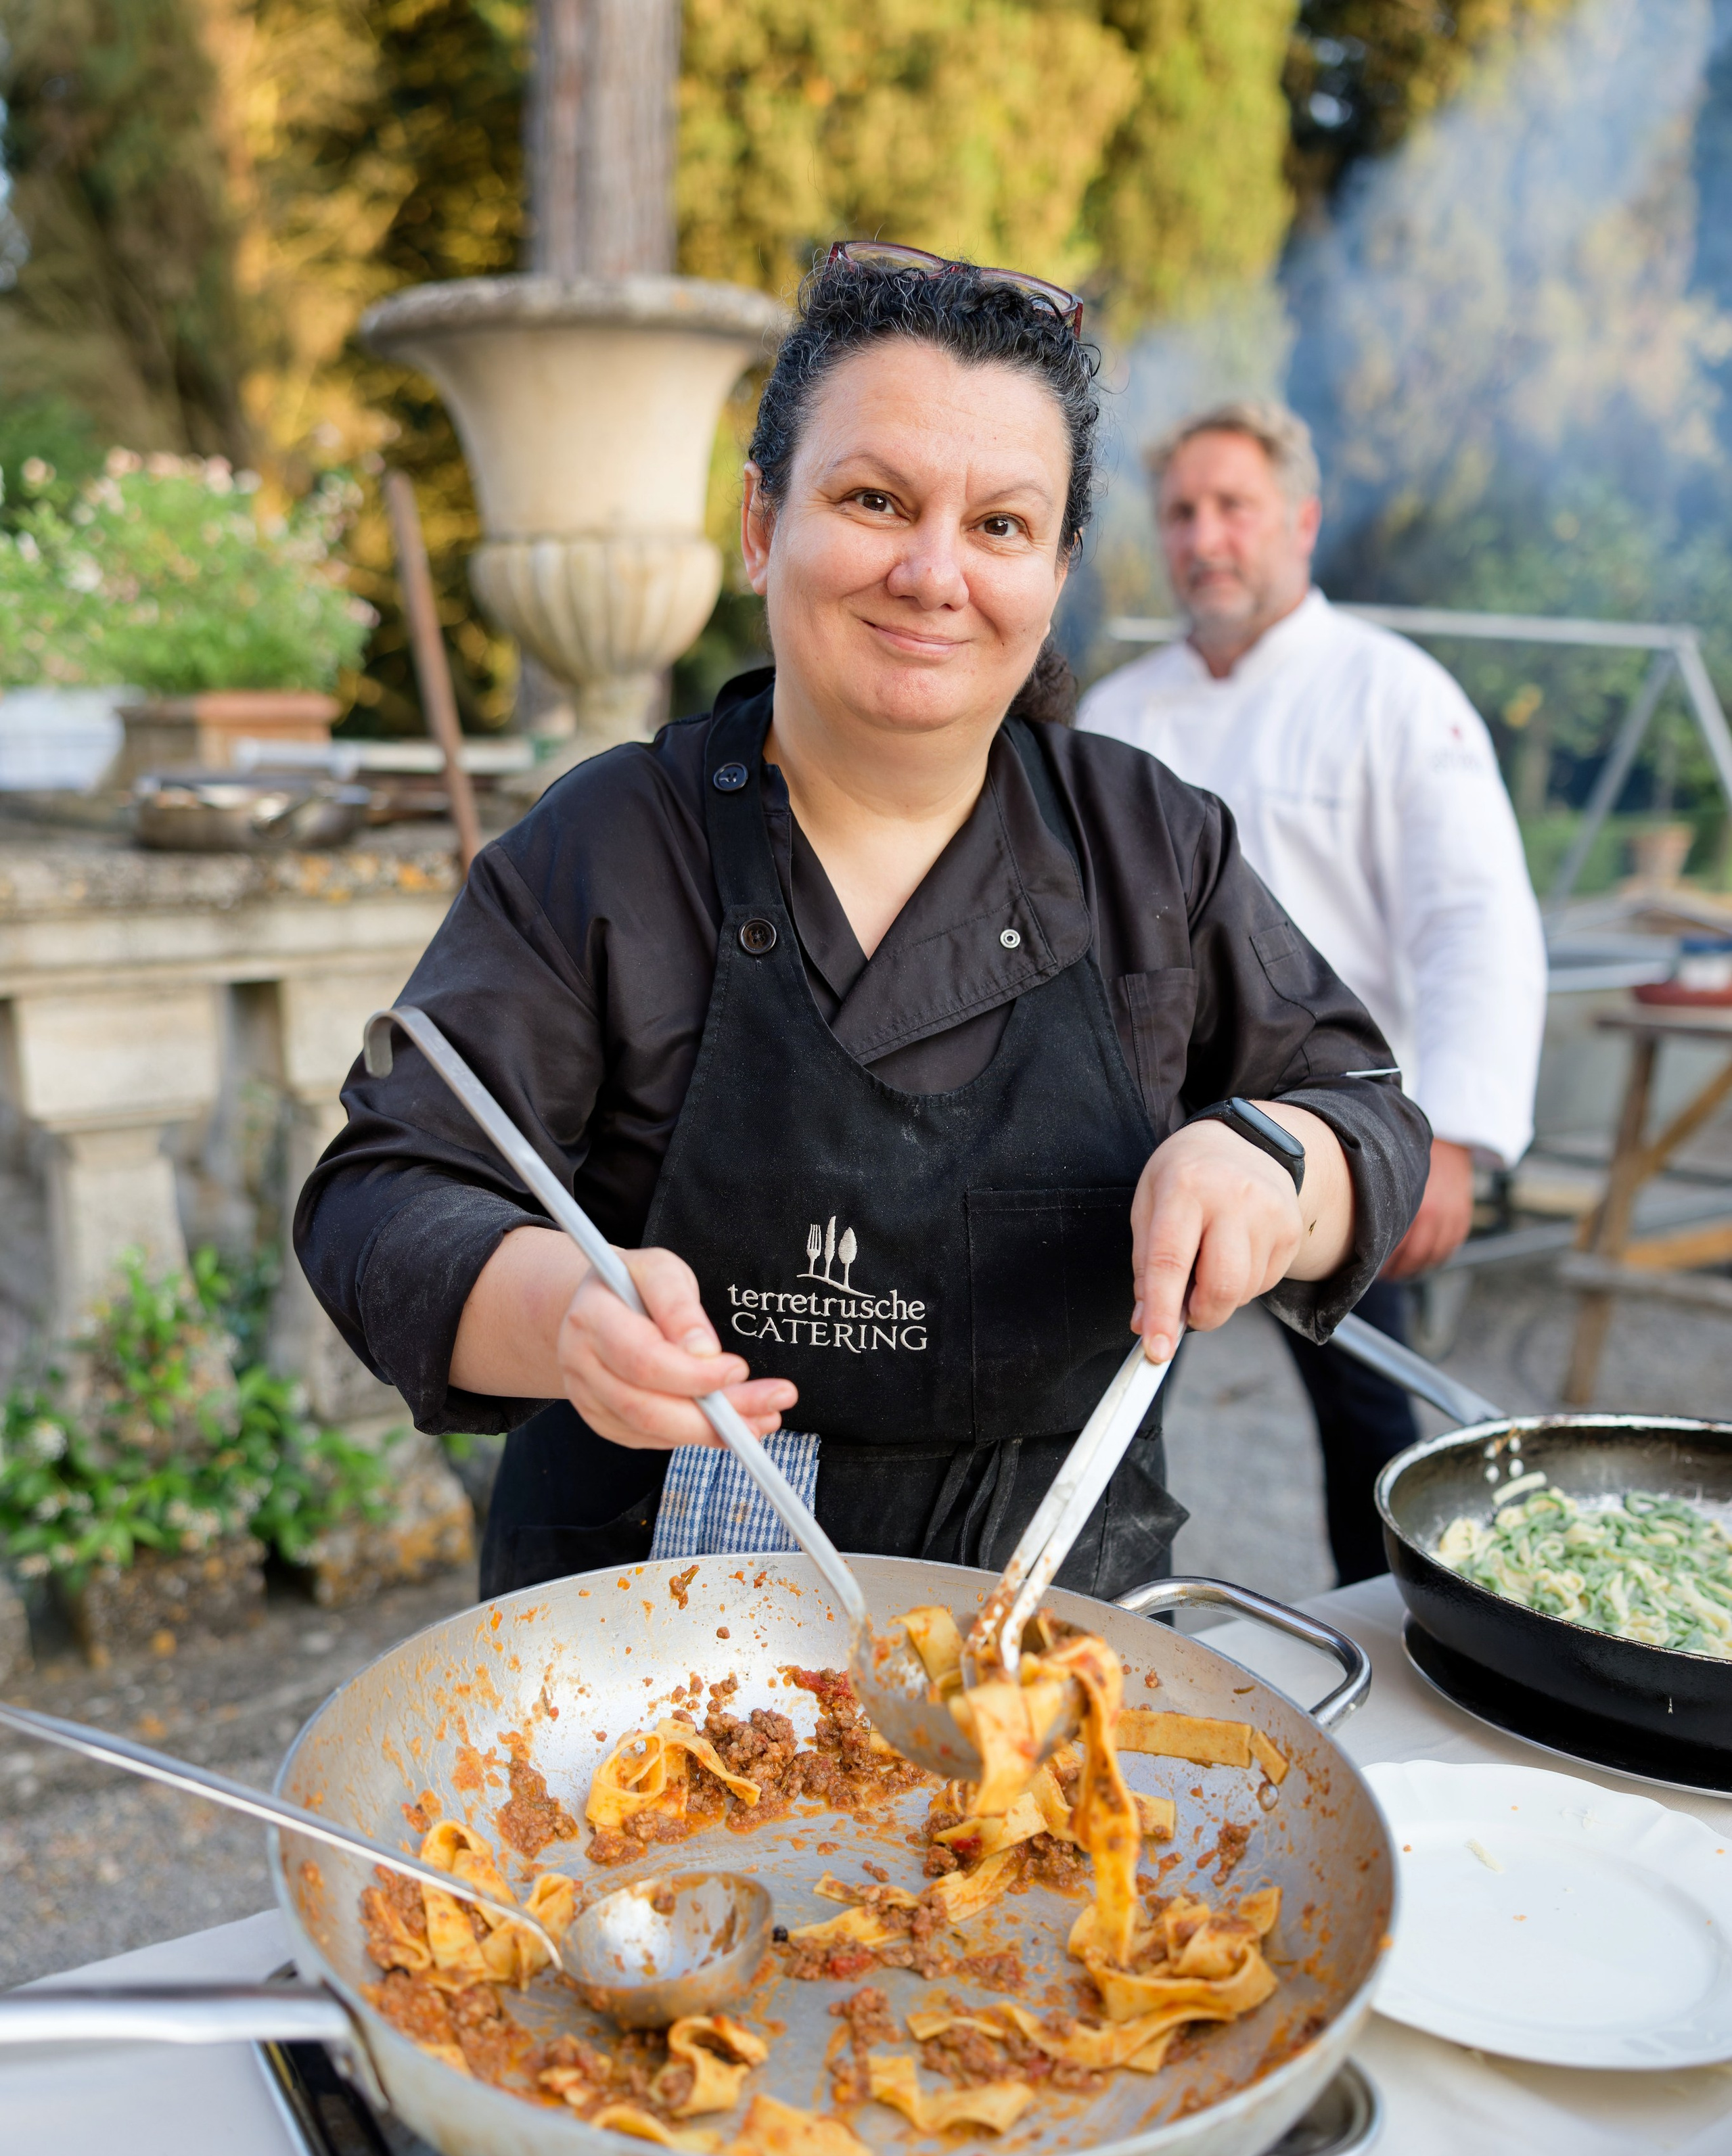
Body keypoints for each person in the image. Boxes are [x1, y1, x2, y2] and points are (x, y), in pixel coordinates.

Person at [296, 254, 1430, 1607]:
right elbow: (382, 1195)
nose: (932, 572)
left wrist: (1273, 1166)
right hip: (638, 1628)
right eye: (873, 499)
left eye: (1001, 526)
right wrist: (561, 1318)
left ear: (1057, 571)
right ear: (761, 522)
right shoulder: (611, 843)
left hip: (1049, 1617)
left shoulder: (1149, 845)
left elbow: (1361, 1111)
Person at [1078, 398, 1546, 1584]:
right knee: (1098, 1426)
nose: (1204, 537)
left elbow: (1472, 917)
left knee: (1369, 1433)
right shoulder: (1116, 717)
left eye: (1233, 506)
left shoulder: (1393, 694)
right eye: (1182, 511)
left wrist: (1452, 1139)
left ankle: (1392, 1646)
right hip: (1139, 1141)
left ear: (1301, 518)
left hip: (1329, 1137)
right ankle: (1116, 1651)